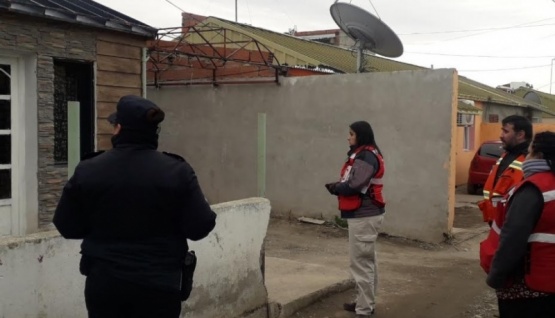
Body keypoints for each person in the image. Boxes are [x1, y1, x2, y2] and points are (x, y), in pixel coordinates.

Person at [53, 95, 217, 318]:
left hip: (105, 284)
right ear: (153, 132)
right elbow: (200, 227)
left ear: (119, 128)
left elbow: (66, 226)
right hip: (160, 285)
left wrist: (101, 229)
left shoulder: (89, 169)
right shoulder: (177, 171)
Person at [481, 131, 555, 318]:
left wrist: (496, 276)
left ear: (539, 155)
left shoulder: (533, 188)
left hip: (529, 287)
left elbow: (512, 240)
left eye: (529, 152)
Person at [324, 121, 385, 318]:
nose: (348, 137)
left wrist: (336, 188)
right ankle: (364, 303)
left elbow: (355, 184)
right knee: (367, 261)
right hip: (366, 214)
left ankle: (364, 309)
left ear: (361, 135)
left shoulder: (366, 155)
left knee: (361, 263)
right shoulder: (365, 153)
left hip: (364, 215)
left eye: (351, 134)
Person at [478, 115, 532, 225]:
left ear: (520, 135)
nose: (501, 136)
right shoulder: (507, 155)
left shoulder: (530, 161)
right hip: (497, 222)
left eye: (505, 132)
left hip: (514, 225)